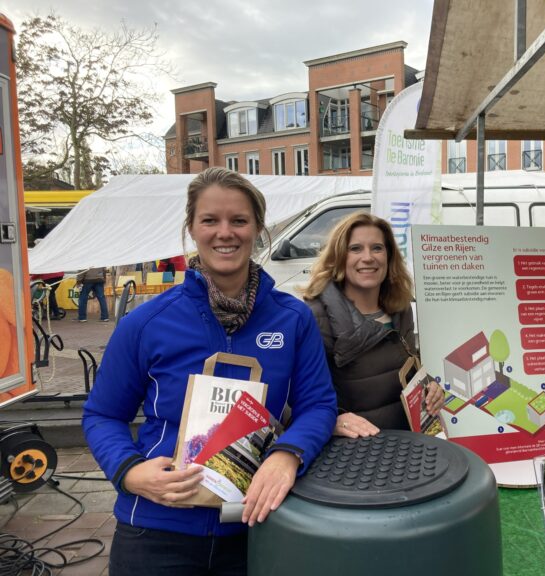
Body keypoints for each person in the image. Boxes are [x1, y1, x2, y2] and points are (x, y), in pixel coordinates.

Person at [82, 167, 337, 576]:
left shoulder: (293, 319)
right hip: (157, 527)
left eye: (239, 220)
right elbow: (102, 414)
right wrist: (129, 471)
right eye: (210, 220)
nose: (225, 232)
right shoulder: (146, 322)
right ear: (192, 228)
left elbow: (319, 404)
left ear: (258, 229)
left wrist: (288, 455)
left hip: (257, 524)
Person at [303, 212, 443, 438]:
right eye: (355, 249)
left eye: (377, 248)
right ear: (338, 257)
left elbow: (405, 366)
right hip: (355, 453)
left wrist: (430, 387)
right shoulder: (315, 316)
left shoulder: (401, 307)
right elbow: (299, 397)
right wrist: (331, 421)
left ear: (389, 257)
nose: (368, 257)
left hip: (407, 443)